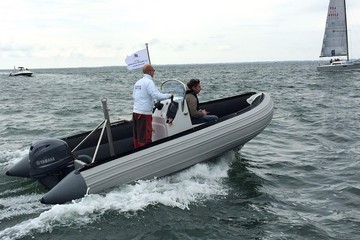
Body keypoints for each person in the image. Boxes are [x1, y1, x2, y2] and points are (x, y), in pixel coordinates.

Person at [132, 64, 173, 148]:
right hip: (144, 113)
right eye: (153, 70)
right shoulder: (149, 82)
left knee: (138, 135)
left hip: (136, 111)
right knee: (145, 137)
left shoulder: (138, 82)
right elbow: (156, 95)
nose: (154, 72)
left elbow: (134, 96)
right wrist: (169, 95)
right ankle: (145, 153)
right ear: (150, 71)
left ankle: (137, 151)